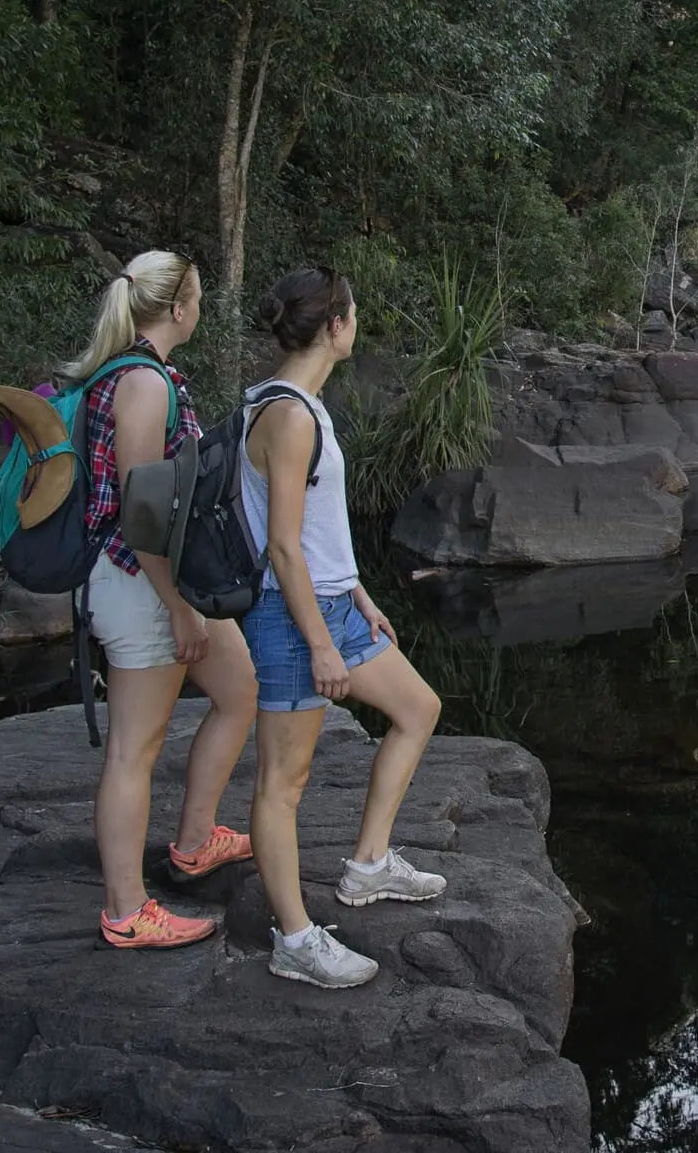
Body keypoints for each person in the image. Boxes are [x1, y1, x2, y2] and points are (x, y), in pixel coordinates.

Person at [240, 266, 446, 989]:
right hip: (291, 615)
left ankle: (367, 866)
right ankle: (295, 939)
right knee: (282, 785)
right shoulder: (288, 415)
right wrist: (322, 642)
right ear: (334, 326)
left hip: (330, 603)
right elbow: (283, 545)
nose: (357, 324)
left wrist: (357, 595)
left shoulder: (302, 404)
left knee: (418, 708)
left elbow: (316, 530)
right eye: (353, 313)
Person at [64, 250, 259, 948]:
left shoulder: (142, 373)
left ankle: (197, 839)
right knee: (132, 751)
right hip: (139, 582)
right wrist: (177, 606)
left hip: (162, 582)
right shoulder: (142, 383)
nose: (201, 308)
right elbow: (141, 515)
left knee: (240, 690)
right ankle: (126, 912)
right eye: (199, 297)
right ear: (177, 308)